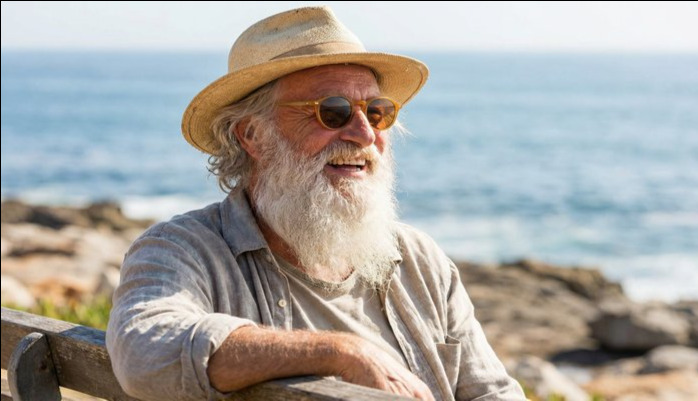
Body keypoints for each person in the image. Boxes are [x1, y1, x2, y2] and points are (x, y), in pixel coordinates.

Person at [107, 6, 525, 401]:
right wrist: (338, 352)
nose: (363, 135)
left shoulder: (420, 261)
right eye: (334, 111)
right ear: (252, 135)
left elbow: (493, 392)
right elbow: (143, 351)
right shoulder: (182, 249)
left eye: (376, 112)